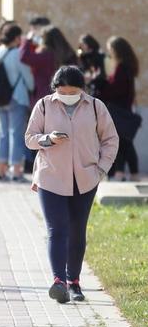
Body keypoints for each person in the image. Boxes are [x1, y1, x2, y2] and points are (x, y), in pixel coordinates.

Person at [25, 66, 118, 303]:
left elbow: (110, 139)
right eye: (63, 91)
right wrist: (48, 139)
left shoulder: (96, 106)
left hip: (86, 179)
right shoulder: (44, 105)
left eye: (73, 91)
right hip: (50, 177)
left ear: (81, 89)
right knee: (57, 230)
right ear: (55, 89)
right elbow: (29, 139)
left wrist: (101, 169)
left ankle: (74, 281)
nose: (68, 95)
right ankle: (59, 282)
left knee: (77, 230)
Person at [0, 23, 34, 182]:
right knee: (16, 134)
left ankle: (1, 170)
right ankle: (17, 172)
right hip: (16, 98)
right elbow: (29, 80)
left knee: (3, 133)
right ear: (16, 38)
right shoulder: (18, 54)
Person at [98, 37, 139, 181]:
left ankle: (119, 173)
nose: (110, 53)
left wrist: (103, 84)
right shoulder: (128, 66)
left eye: (111, 50)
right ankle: (133, 174)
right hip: (125, 109)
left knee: (120, 142)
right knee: (127, 143)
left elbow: (115, 89)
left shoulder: (122, 68)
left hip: (119, 110)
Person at [20, 20, 76, 106]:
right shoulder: (68, 53)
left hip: (44, 94)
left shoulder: (46, 54)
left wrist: (27, 40)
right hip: (65, 94)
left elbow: (24, 56)